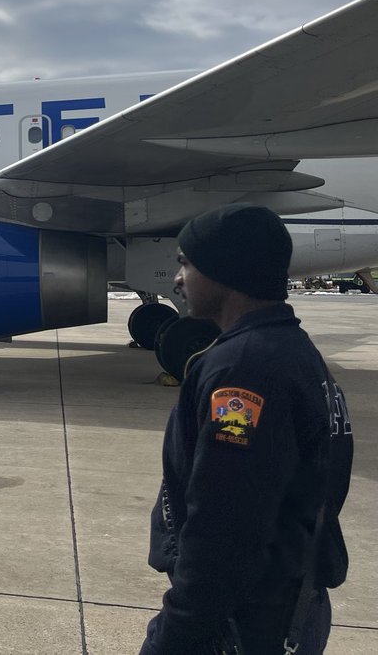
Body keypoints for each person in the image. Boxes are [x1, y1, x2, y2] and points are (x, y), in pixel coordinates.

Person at [140, 203, 353, 654]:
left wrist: (176, 631)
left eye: (186, 263)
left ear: (224, 270)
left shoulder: (243, 370)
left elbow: (227, 519)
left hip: (242, 620)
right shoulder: (291, 350)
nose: (177, 279)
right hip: (286, 604)